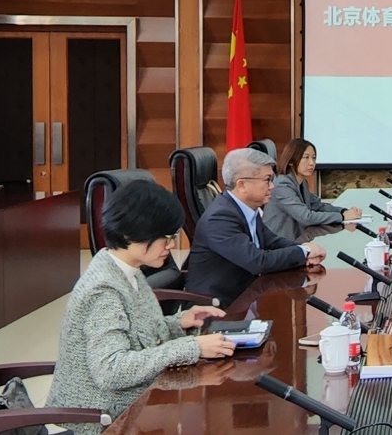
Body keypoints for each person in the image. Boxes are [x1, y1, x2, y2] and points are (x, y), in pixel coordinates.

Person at [47, 181, 235, 432]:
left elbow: (135, 333)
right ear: (130, 234)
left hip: (131, 407)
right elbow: (111, 370)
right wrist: (191, 347)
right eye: (165, 238)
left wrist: (179, 323)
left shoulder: (127, 270)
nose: (171, 246)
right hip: (104, 421)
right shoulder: (103, 290)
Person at [185, 148, 327, 307]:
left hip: (246, 297)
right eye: (267, 180)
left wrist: (304, 251)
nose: (272, 186)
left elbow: (272, 242)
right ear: (242, 185)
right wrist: (304, 252)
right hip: (217, 308)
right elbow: (258, 261)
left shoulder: (245, 208)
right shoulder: (220, 218)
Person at [263, 138, 363, 241]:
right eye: (306, 157)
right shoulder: (282, 185)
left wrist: (344, 211)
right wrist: (342, 216)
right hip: (277, 245)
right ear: (291, 161)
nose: (312, 163)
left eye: (314, 158)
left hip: (296, 241)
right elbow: (306, 217)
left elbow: (317, 206)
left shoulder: (302, 182)